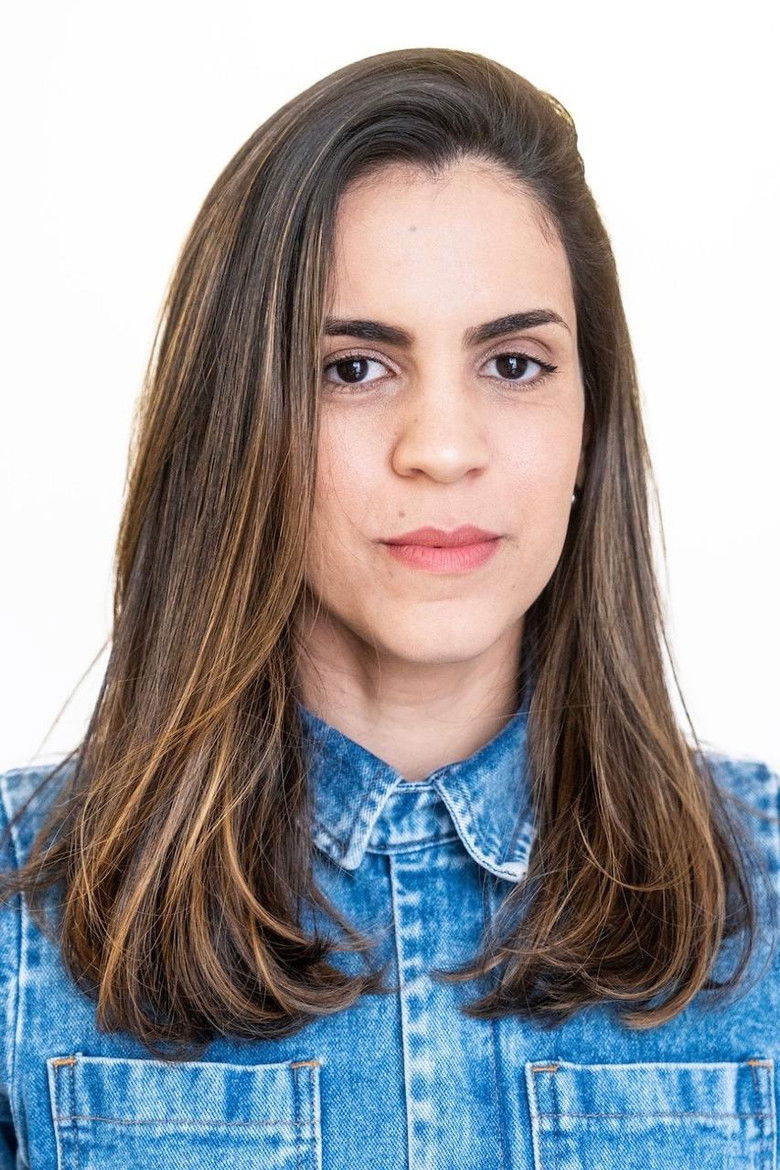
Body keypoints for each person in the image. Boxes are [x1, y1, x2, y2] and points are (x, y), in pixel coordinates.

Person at [1, 46, 778, 1170]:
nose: (444, 450)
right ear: (239, 422)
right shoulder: (18, 923)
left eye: (513, 364)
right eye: (355, 369)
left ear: (589, 421)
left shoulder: (762, 890)